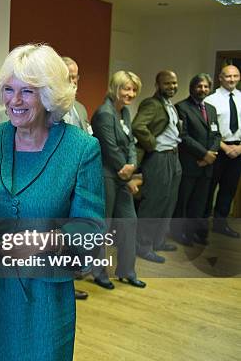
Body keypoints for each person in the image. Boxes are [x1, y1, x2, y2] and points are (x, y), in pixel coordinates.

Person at [0, 44, 105, 361]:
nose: (15, 100)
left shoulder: (81, 148)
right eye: (9, 90)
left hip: (45, 298)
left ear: (51, 96)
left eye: (27, 91)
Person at [91, 71, 146, 289]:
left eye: (133, 90)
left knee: (129, 222)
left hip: (123, 175)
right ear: (115, 88)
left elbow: (131, 142)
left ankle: (126, 270)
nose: (130, 93)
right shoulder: (104, 113)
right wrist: (124, 169)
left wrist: (131, 166)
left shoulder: (125, 113)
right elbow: (109, 147)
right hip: (106, 175)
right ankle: (99, 272)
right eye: (126, 88)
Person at [132, 70, 182, 263]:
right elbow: (138, 126)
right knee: (154, 203)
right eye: (167, 83)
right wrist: (152, 144)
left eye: (174, 83)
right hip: (158, 158)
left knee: (169, 202)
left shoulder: (169, 104)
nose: (172, 87)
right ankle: (143, 246)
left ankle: (158, 241)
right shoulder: (152, 104)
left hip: (173, 157)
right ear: (158, 85)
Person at [172, 74, 220, 246]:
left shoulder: (211, 109)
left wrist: (210, 155)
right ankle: (179, 233)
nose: (203, 90)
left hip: (206, 166)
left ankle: (193, 233)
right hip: (190, 163)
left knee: (200, 203)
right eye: (199, 86)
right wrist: (203, 155)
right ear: (192, 87)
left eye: (206, 87)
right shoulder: (181, 107)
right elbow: (183, 136)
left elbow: (216, 135)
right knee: (184, 201)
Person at [62, 56, 92, 300]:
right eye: (68, 77)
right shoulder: (47, 109)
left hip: (78, 185)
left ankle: (69, 282)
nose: (73, 82)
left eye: (76, 77)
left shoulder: (80, 108)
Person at [204, 64, 241, 238]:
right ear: (220, 78)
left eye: (235, 76)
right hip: (218, 149)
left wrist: (239, 148)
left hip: (238, 151)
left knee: (229, 189)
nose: (232, 79)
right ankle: (201, 226)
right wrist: (225, 147)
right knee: (208, 188)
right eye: (228, 76)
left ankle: (220, 224)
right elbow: (208, 131)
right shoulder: (211, 100)